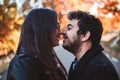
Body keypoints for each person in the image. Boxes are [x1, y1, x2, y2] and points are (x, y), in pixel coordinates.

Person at [7, 8, 67, 80]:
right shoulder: (23, 64)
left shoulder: (48, 57)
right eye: (57, 26)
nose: (60, 32)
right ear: (42, 28)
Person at [62, 10, 119, 80]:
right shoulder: (76, 64)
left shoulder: (100, 70)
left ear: (85, 35)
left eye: (69, 28)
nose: (63, 32)